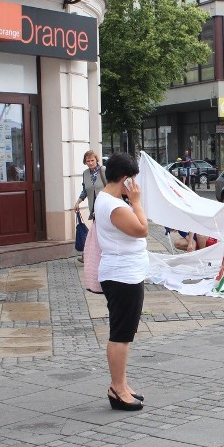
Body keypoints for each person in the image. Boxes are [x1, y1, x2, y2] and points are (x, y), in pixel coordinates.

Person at [94, 152, 148, 411]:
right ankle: (117, 388)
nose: (135, 186)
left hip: (124, 273)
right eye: (133, 180)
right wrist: (136, 202)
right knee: (121, 334)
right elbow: (141, 229)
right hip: (121, 275)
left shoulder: (107, 199)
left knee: (124, 333)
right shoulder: (114, 205)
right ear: (125, 179)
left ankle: (122, 385)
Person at [74, 150, 106, 220]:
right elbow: (85, 191)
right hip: (94, 208)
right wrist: (77, 202)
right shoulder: (85, 173)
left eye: (92, 160)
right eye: (88, 161)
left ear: (96, 160)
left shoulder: (103, 170)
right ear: (85, 162)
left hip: (105, 206)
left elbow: (111, 186)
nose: (90, 163)